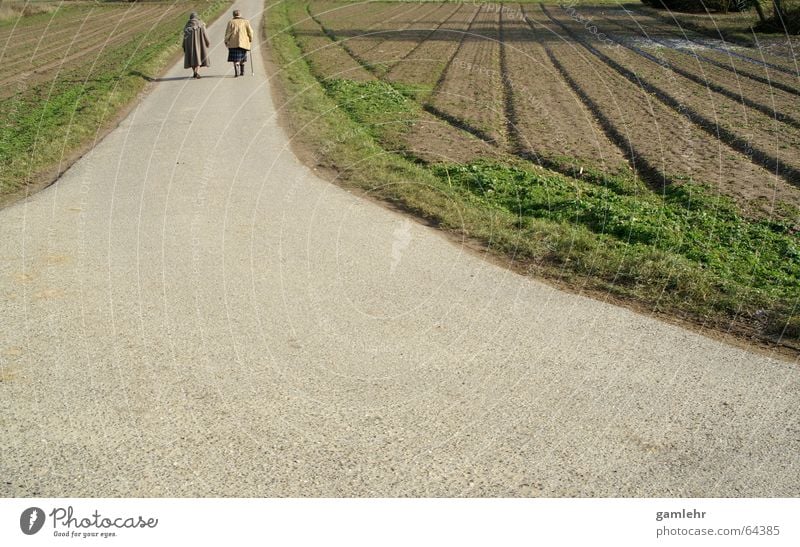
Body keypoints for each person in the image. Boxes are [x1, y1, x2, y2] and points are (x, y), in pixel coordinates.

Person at [224, 10, 254, 78]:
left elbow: (228, 33)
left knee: (235, 58)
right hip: (243, 43)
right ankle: (242, 71)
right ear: (240, 14)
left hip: (233, 43)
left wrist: (226, 40)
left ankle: (236, 67)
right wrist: (250, 39)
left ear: (233, 15)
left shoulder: (231, 22)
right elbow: (250, 32)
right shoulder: (246, 21)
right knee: (242, 57)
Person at [183, 12, 210, 79]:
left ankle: (194, 72)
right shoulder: (201, 24)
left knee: (192, 58)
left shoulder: (187, 25)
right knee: (198, 57)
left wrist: (183, 45)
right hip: (199, 44)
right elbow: (205, 34)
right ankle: (196, 72)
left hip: (189, 45)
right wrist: (207, 42)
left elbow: (184, 36)